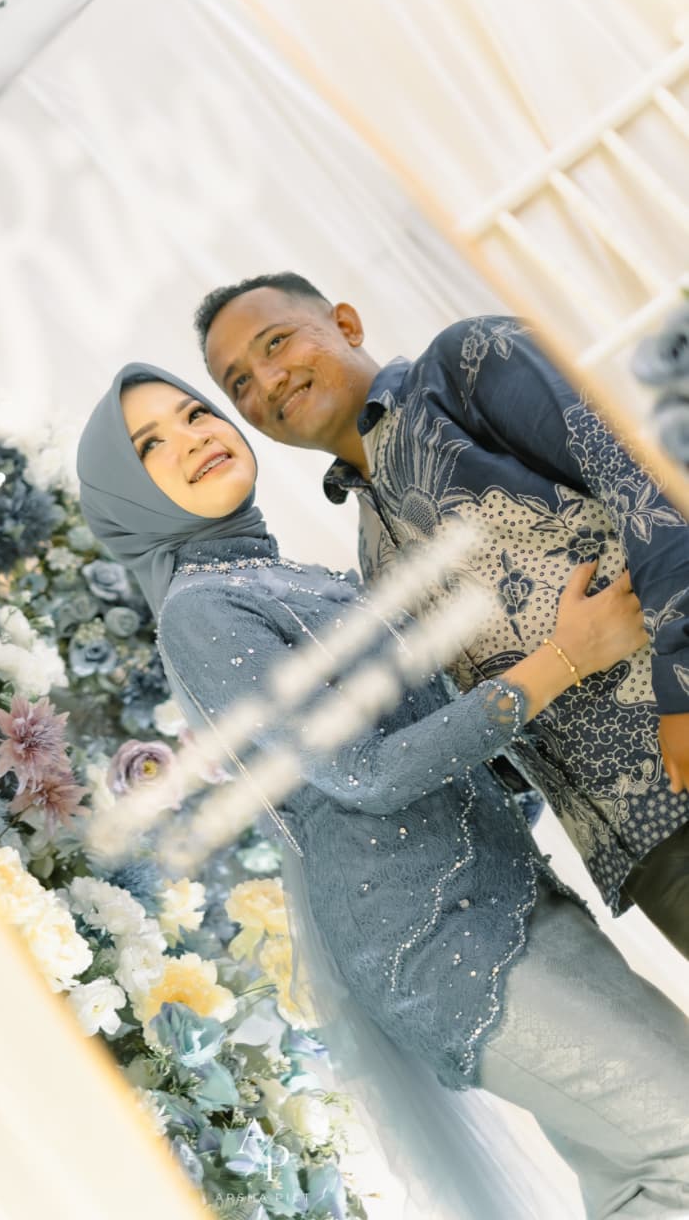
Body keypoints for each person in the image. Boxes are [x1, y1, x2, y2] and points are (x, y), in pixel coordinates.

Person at [77, 362, 689, 1219]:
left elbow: (437, 744)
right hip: (440, 944)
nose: (193, 438)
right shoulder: (199, 611)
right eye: (151, 445)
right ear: (127, 497)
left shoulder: (298, 579)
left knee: (639, 1178)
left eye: (194, 413)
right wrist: (564, 658)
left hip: (512, 897)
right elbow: (358, 772)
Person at [195, 273, 689, 957]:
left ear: (346, 323)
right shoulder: (372, 555)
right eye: (240, 383)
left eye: (275, 343)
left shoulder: (466, 366)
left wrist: (682, 690)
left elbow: (643, 480)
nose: (267, 381)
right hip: (640, 855)